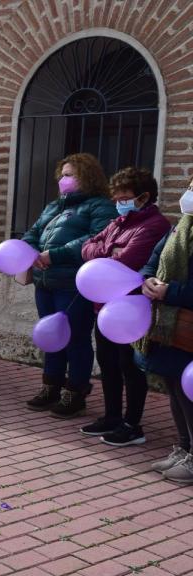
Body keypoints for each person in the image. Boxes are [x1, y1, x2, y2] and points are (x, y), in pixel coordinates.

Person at [79, 167, 169, 446]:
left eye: (124, 196)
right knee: (107, 363)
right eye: (116, 196)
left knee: (129, 366)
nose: (119, 200)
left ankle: (133, 424)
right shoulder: (118, 221)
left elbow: (127, 262)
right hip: (103, 307)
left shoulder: (155, 225)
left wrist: (105, 254)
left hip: (130, 310)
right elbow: (87, 248)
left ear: (144, 197)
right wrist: (108, 252)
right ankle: (112, 416)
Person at [22, 153, 116, 418]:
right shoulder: (54, 206)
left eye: (69, 175)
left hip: (73, 285)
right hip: (45, 283)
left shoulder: (100, 206)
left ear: (86, 177)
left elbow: (96, 240)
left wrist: (55, 255)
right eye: (62, 175)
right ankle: (50, 386)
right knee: (51, 337)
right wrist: (30, 251)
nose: (63, 180)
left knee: (75, 338)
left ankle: (76, 392)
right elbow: (33, 232)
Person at [136, 174, 193, 483]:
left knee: (190, 392)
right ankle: (183, 448)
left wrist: (170, 291)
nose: (189, 194)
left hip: (187, 325)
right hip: (168, 326)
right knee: (173, 386)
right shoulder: (178, 228)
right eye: (190, 187)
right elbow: (153, 259)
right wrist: (148, 279)